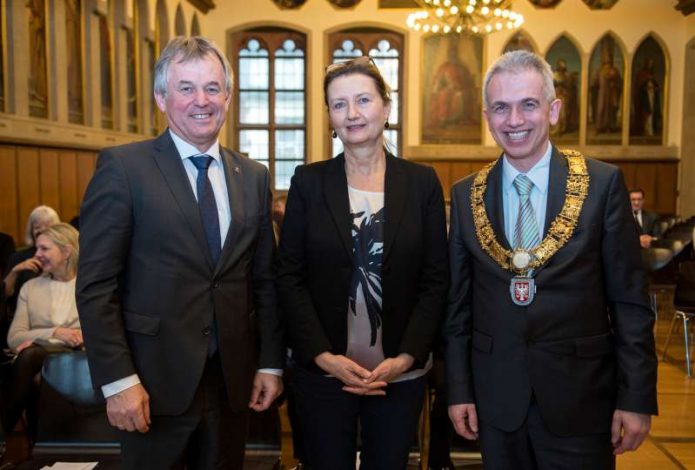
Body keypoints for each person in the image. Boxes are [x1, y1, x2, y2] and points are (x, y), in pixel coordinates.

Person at [76, 36, 284, 469]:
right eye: (186, 88)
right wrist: (118, 381)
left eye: (212, 88)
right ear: (161, 97)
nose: (201, 100)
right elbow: (97, 286)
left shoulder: (253, 176)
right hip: (150, 385)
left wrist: (269, 363)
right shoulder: (123, 168)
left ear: (228, 96)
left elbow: (263, 280)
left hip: (232, 386)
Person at [444, 50, 657, 469]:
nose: (515, 120)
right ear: (488, 117)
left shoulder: (602, 185)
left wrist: (635, 398)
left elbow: (630, 303)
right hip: (497, 400)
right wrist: (459, 389)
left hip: (581, 401)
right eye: (501, 108)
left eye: (528, 104)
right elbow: (457, 310)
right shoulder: (467, 194)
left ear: (553, 110)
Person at [277, 56, 448, 469]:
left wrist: (406, 358)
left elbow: (436, 279)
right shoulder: (308, 182)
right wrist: (322, 356)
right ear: (330, 117)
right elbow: (289, 277)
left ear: (386, 108)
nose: (352, 113)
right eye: (339, 104)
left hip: (400, 374)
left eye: (363, 100)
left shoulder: (422, 182)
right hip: (323, 373)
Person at [2, 223, 82, 441]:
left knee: (30, 357)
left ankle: (3, 437)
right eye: (37, 248)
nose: (37, 255)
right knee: (31, 359)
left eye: (44, 249)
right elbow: (15, 338)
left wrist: (38, 337)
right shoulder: (31, 287)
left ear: (66, 251)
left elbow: (90, 334)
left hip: (81, 357)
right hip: (39, 359)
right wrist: (56, 332)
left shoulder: (88, 285)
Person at [3, 205, 61, 312]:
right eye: (37, 227)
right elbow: (4, 295)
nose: (42, 231)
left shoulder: (64, 255)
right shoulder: (17, 257)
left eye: (48, 227)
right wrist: (15, 271)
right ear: (31, 231)